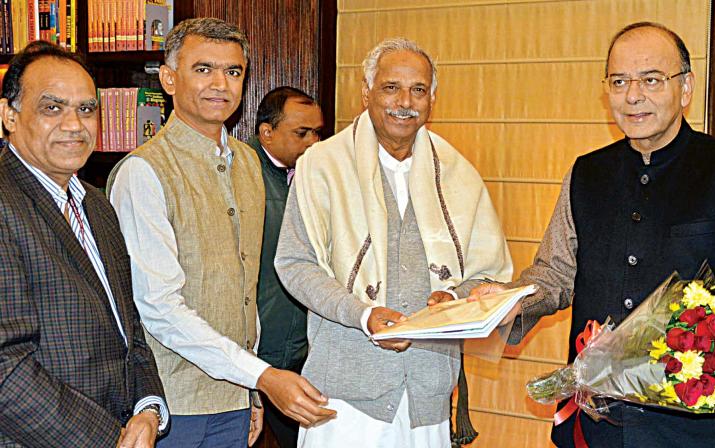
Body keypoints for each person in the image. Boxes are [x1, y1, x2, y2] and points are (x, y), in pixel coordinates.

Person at [473, 22, 715, 447]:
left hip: (700, 430)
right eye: (619, 81)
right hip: (598, 424)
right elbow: (553, 275)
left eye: (651, 80)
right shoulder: (586, 173)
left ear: (685, 89)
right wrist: (498, 302)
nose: (632, 96)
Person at [274, 37, 512, 447]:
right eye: (391, 88)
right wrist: (362, 314)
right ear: (366, 92)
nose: (405, 101)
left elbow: (489, 275)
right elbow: (295, 264)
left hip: (429, 394)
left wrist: (454, 298)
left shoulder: (458, 173)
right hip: (344, 399)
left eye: (418, 90)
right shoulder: (322, 164)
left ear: (433, 98)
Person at [107, 18, 333, 447]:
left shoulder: (249, 162)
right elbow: (157, 307)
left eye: (233, 72)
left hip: (235, 399)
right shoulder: (144, 171)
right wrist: (261, 376)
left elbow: (247, 292)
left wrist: (250, 390)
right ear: (170, 79)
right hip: (171, 406)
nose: (220, 84)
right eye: (203, 69)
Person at [0, 41, 168, 447]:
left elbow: (128, 328)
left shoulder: (97, 204)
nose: (74, 124)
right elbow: (5, 367)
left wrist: (147, 409)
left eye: (86, 109)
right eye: (52, 108)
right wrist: (110, 439)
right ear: (9, 115)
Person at [246, 86, 323, 447]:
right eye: (301, 133)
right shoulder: (242, 176)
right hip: (260, 351)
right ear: (267, 132)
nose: (313, 142)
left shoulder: (318, 176)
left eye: (318, 132)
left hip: (306, 347)